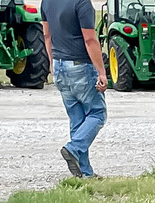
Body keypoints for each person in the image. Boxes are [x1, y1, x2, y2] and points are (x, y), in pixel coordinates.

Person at [43, 0, 109, 180]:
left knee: (77, 120)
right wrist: (101, 72)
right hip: (80, 66)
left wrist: (52, 64)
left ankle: (85, 173)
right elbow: (90, 39)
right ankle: (73, 148)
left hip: (59, 65)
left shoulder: (46, 2)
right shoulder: (82, 3)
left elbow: (47, 36)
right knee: (97, 113)